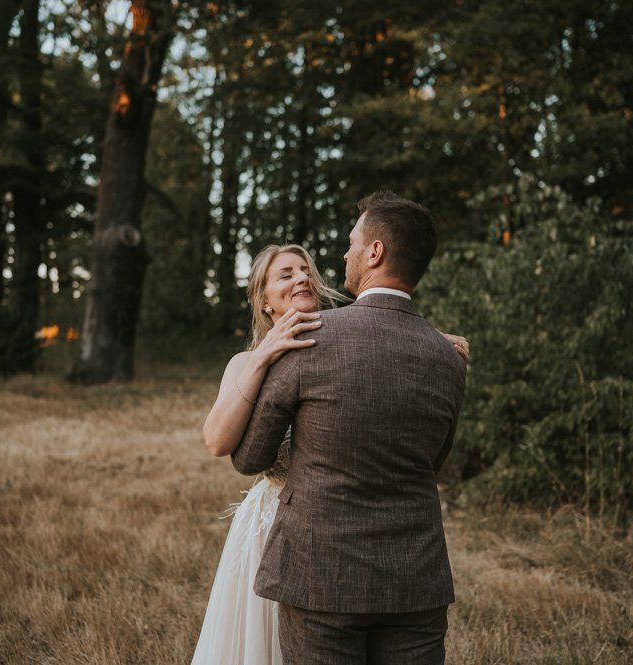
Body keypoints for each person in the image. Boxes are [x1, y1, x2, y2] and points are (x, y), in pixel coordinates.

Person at [192, 205, 469, 663]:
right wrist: (264, 355)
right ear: (264, 299)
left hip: (319, 557)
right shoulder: (444, 355)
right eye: (285, 274)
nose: (304, 277)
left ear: (374, 251)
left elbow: (249, 457)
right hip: (368, 553)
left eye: (306, 270)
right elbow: (434, 459)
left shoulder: (317, 340)